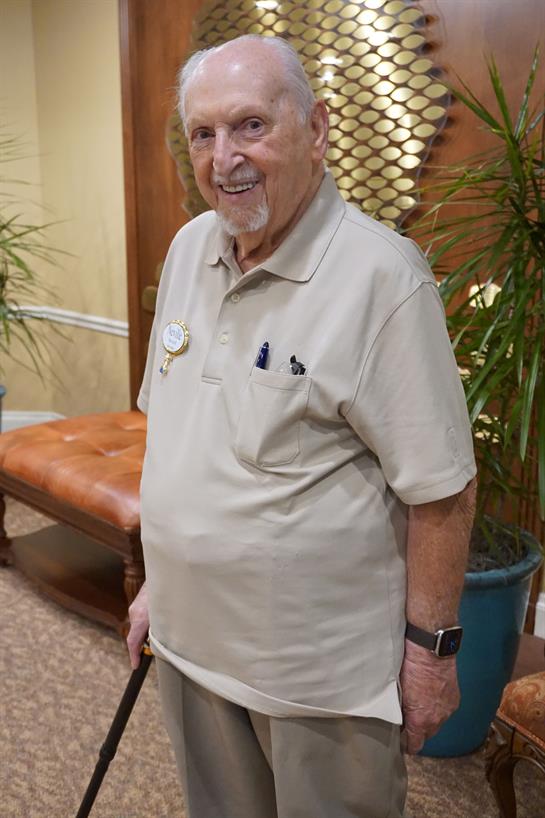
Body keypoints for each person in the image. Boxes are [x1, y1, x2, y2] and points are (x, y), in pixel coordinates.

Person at [127, 34, 476, 818]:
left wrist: (429, 660)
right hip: (189, 646)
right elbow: (180, 437)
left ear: (314, 131)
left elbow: (442, 493)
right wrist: (160, 581)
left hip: (314, 682)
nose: (225, 158)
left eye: (250, 125)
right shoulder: (189, 249)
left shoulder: (381, 279)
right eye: (203, 134)